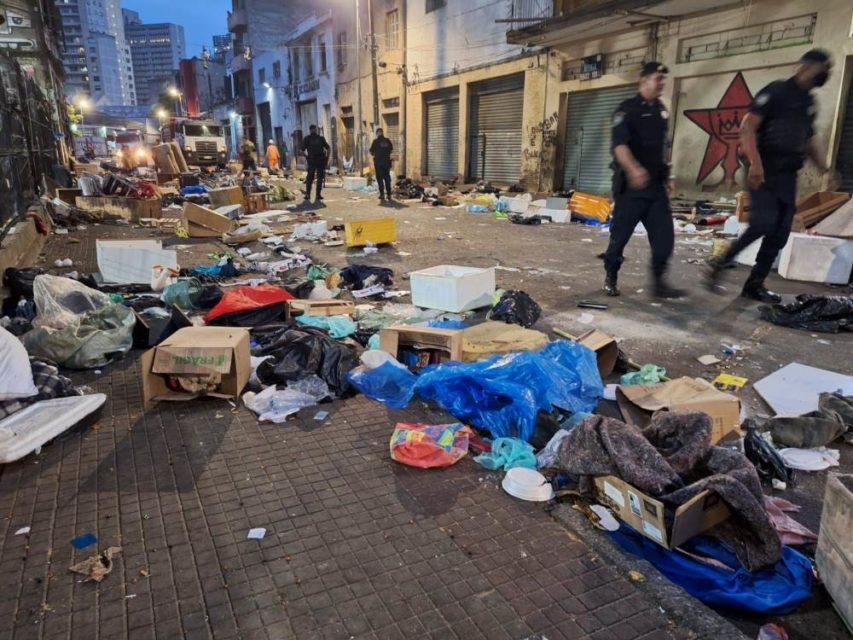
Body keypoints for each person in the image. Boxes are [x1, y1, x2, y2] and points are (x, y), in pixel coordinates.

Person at [706, 49, 838, 303]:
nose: (826, 75)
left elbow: (809, 140)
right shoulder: (776, 92)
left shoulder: (809, 102)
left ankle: (754, 284)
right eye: (823, 69)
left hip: (788, 175)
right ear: (806, 67)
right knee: (763, 223)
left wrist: (825, 169)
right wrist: (755, 164)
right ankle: (720, 263)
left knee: (780, 232)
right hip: (764, 171)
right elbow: (748, 127)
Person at [603, 62, 685, 299]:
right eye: (658, 79)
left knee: (664, 239)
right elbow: (619, 146)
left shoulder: (661, 110)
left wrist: (667, 175)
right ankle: (611, 275)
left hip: (656, 189)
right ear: (644, 81)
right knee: (619, 239)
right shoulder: (626, 110)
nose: (661, 84)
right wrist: (633, 169)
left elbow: (663, 148)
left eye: (663, 80)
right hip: (631, 189)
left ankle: (659, 283)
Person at [302, 124, 330, 202]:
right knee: (315, 178)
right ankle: (314, 194)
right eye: (313, 129)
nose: (313, 131)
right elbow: (328, 148)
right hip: (318, 160)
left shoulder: (309, 139)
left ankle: (311, 194)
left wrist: (306, 157)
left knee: (314, 178)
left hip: (315, 160)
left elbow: (301, 150)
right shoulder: (318, 138)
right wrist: (327, 158)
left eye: (313, 129)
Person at [369, 128, 394, 201]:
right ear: (382, 133)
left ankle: (382, 194)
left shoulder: (375, 141)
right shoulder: (388, 141)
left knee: (380, 179)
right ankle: (389, 195)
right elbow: (391, 150)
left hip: (378, 163)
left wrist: (376, 154)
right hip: (387, 163)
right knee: (387, 178)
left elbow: (371, 151)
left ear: (377, 133)